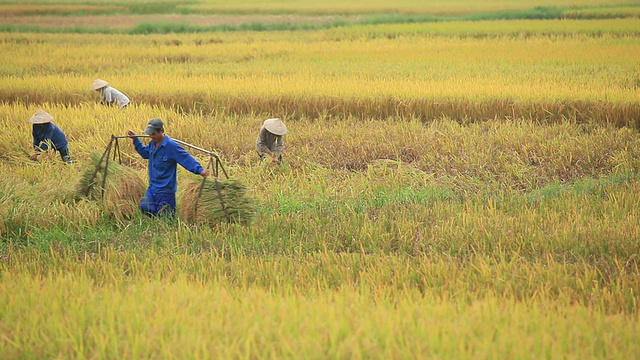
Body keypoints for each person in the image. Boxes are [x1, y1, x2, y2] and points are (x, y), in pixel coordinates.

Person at [127, 118, 210, 217]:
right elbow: (145, 153)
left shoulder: (171, 146)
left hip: (165, 190)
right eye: (149, 133)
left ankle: (165, 230)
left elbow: (186, 158)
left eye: (153, 134)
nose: (150, 136)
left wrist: (200, 170)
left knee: (166, 217)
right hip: (153, 187)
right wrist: (135, 140)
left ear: (161, 131)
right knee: (145, 207)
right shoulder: (152, 144)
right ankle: (153, 229)